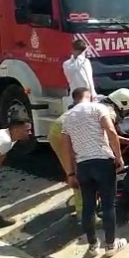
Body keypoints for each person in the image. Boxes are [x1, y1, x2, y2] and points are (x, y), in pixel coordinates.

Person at [61, 88, 128, 257]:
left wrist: (70, 173)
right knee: (108, 205)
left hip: (83, 166)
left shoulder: (67, 117)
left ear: (74, 99)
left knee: (88, 207)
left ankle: (92, 246)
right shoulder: (98, 108)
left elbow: (67, 149)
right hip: (102, 162)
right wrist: (118, 157)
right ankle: (111, 245)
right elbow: (111, 132)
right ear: (89, 95)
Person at [48, 87, 92, 218]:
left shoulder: (81, 107)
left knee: (75, 170)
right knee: (82, 172)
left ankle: (81, 206)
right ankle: (85, 214)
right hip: (65, 131)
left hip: (56, 130)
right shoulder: (100, 110)